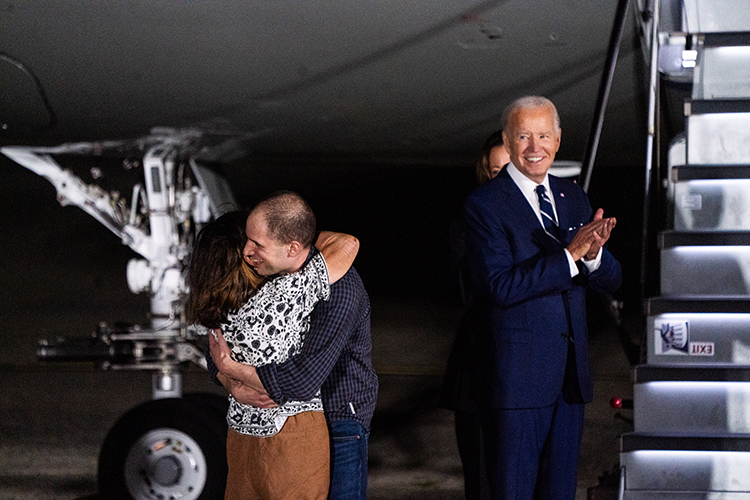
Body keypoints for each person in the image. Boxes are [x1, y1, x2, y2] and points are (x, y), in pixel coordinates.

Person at [463, 96, 621, 500]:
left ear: (558, 139)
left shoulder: (573, 197)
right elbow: (499, 286)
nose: (535, 147)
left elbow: (612, 280)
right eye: (524, 136)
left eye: (544, 136)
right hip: (518, 383)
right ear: (507, 140)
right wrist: (568, 256)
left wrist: (594, 254)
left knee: (559, 492)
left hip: (569, 381)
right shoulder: (485, 205)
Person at [205, 191, 378, 500]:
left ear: (292, 247)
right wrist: (230, 382)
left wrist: (233, 369)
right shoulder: (270, 275)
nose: (247, 251)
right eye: (248, 240)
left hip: (337, 420)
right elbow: (222, 342)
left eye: (257, 244)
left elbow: (301, 380)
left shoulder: (340, 290)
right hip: (277, 427)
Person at [439, 130, 509, 500]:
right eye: (495, 172)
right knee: (481, 480)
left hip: (531, 374)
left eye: (510, 170)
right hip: (480, 368)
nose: (503, 180)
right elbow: (465, 293)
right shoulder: (469, 223)